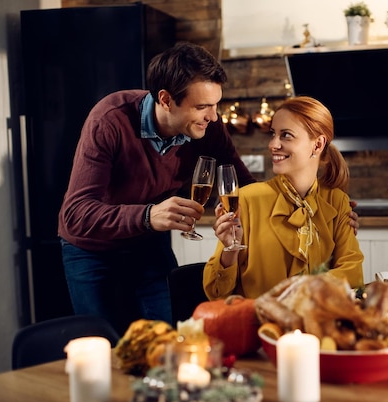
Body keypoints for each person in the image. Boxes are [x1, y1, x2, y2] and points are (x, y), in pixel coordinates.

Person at [58, 42, 358, 334]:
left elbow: (245, 186)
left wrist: (323, 212)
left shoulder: (208, 126)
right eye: (202, 106)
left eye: (216, 105)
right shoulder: (110, 121)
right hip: (92, 250)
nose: (214, 117)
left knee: (169, 339)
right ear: (165, 100)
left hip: (148, 243)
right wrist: (149, 215)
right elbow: (76, 214)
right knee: (104, 347)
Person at [203, 96, 364, 300]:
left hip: (317, 326)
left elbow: (353, 275)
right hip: (259, 326)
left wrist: (304, 289)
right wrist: (229, 250)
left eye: (286, 135)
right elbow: (216, 294)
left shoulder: (337, 201)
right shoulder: (246, 200)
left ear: (317, 145)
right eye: (273, 134)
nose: (273, 144)